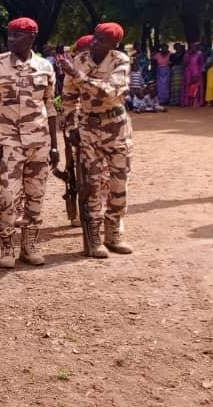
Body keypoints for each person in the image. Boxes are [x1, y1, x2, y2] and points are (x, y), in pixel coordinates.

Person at [0, 17, 58, 268]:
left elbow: (50, 106)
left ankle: (30, 245)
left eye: (16, 36)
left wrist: (55, 144)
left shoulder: (45, 66)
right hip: (9, 141)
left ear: (31, 37)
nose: (10, 40)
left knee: (36, 194)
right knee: (8, 196)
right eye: (9, 35)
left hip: (39, 140)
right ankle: (7, 247)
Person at [60, 22, 135, 258]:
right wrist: (71, 126)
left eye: (102, 40)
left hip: (117, 127)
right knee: (90, 184)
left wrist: (77, 75)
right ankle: (93, 236)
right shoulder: (80, 59)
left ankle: (113, 233)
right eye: (95, 37)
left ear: (114, 44)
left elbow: (109, 92)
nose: (96, 43)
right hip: (88, 127)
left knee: (119, 183)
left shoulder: (120, 60)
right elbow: (68, 98)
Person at [182, 42, 206, 108]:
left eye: (194, 47)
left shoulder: (199, 54)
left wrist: (199, 71)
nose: (193, 48)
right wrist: (188, 55)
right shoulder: (187, 54)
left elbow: (202, 63)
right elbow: (184, 63)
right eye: (192, 47)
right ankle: (187, 102)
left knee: (197, 86)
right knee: (188, 85)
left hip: (197, 71)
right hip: (188, 71)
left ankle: (197, 102)